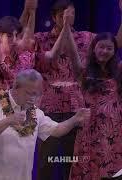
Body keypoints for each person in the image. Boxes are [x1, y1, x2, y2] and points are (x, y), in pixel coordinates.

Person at [34, 0, 122, 179]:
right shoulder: (41, 39)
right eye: (63, 15)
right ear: (54, 17)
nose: (69, 17)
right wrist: (65, 28)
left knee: (73, 160)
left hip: (77, 108)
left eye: (72, 14)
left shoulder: (87, 38)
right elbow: (49, 60)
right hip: (49, 107)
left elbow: (113, 43)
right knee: (47, 160)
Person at [0, 69, 91, 180]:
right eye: (29, 93)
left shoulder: (34, 112)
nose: (33, 98)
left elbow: (56, 130)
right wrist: (8, 120)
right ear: (16, 88)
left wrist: (75, 119)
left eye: (36, 94)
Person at [61, 7, 122, 178]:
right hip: (89, 130)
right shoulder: (84, 72)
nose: (104, 51)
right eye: (100, 47)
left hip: (114, 132)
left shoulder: (118, 70)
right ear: (93, 49)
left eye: (109, 48)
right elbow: (73, 51)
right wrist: (66, 25)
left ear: (114, 51)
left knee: (111, 171)